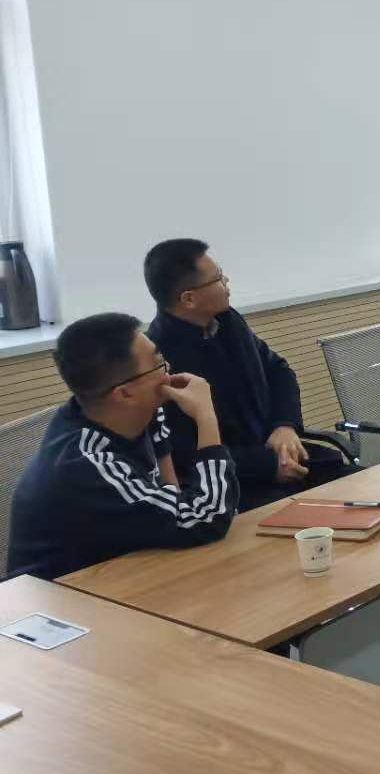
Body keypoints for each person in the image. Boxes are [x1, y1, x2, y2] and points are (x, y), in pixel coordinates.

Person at [6, 313, 238, 581]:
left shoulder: (142, 413)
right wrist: (206, 416)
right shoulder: (86, 463)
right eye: (158, 364)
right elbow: (206, 518)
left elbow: (174, 497)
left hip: (131, 570)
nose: (169, 370)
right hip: (62, 595)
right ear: (125, 393)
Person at [144, 239, 353, 511]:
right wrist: (267, 465)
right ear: (189, 299)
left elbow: (279, 371)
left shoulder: (228, 320)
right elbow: (183, 453)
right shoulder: (159, 360)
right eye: (218, 278)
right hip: (236, 484)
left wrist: (284, 426)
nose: (226, 281)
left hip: (283, 454)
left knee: (365, 488)